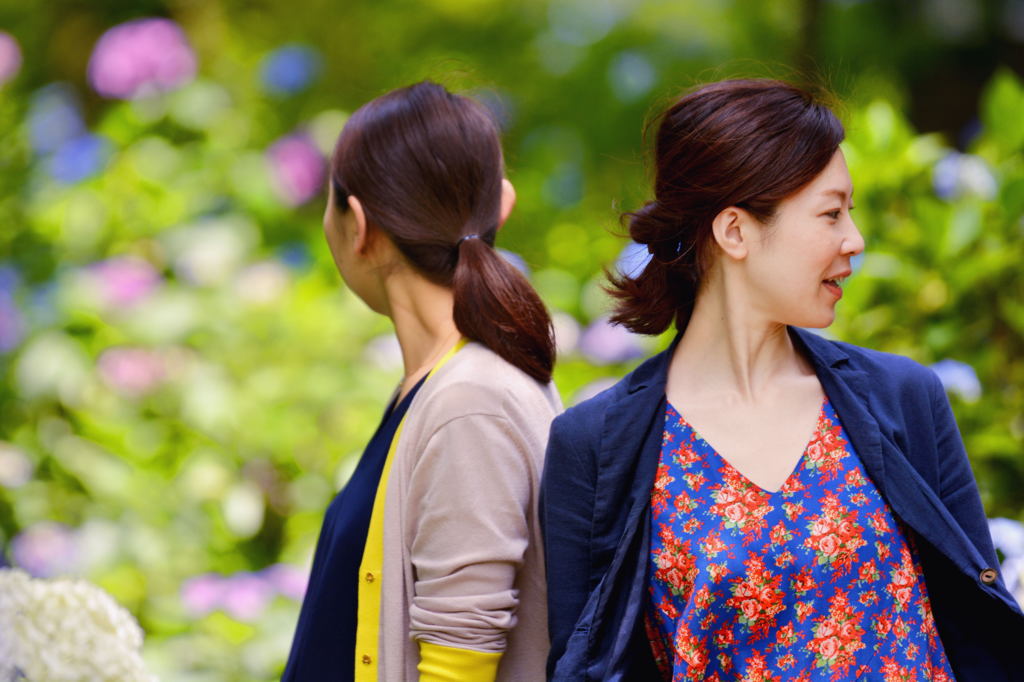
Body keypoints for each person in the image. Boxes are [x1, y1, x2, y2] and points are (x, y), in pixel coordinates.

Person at [541, 79, 1024, 681]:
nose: (856, 239)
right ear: (735, 231)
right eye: (831, 213)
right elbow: (585, 664)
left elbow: (984, 633)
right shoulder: (596, 445)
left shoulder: (904, 398)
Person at [283, 81, 561, 681]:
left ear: (358, 225)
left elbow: (457, 668)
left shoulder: (470, 402)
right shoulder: (437, 385)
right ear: (502, 205)